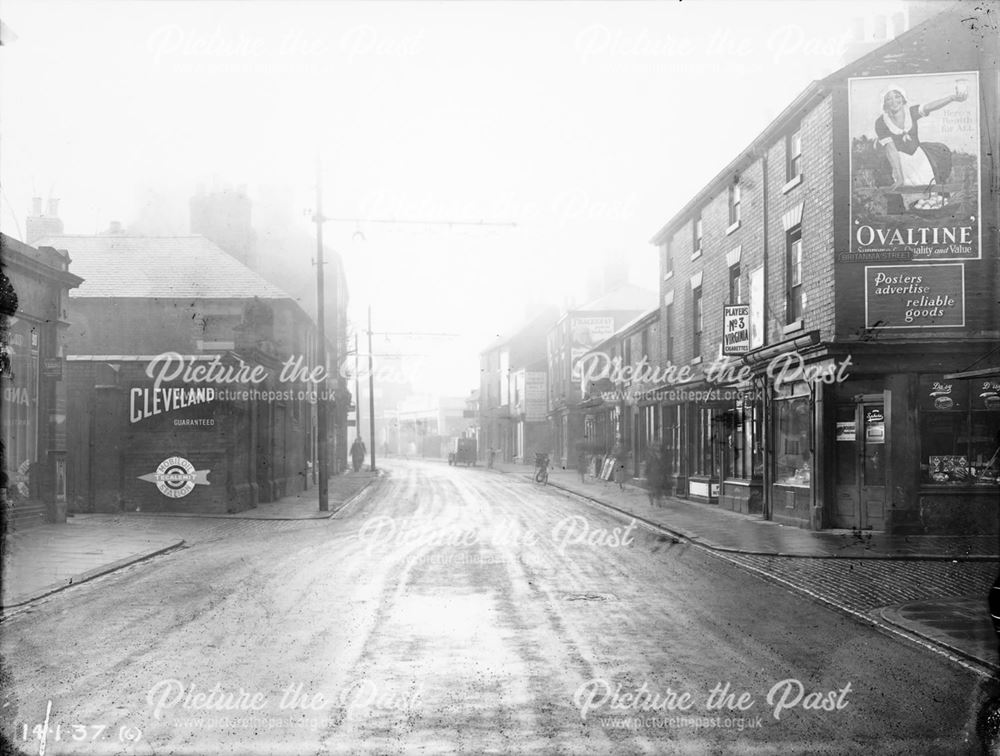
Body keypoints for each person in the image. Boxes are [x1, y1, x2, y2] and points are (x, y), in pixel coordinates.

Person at [875, 82, 967, 192]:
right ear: (884, 103)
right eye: (889, 99)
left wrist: (952, 98)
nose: (894, 101)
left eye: (897, 97)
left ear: (903, 98)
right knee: (910, 192)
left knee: (930, 189)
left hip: (919, 157)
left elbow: (930, 106)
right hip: (901, 161)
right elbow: (891, 150)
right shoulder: (881, 122)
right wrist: (899, 177)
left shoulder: (911, 111)